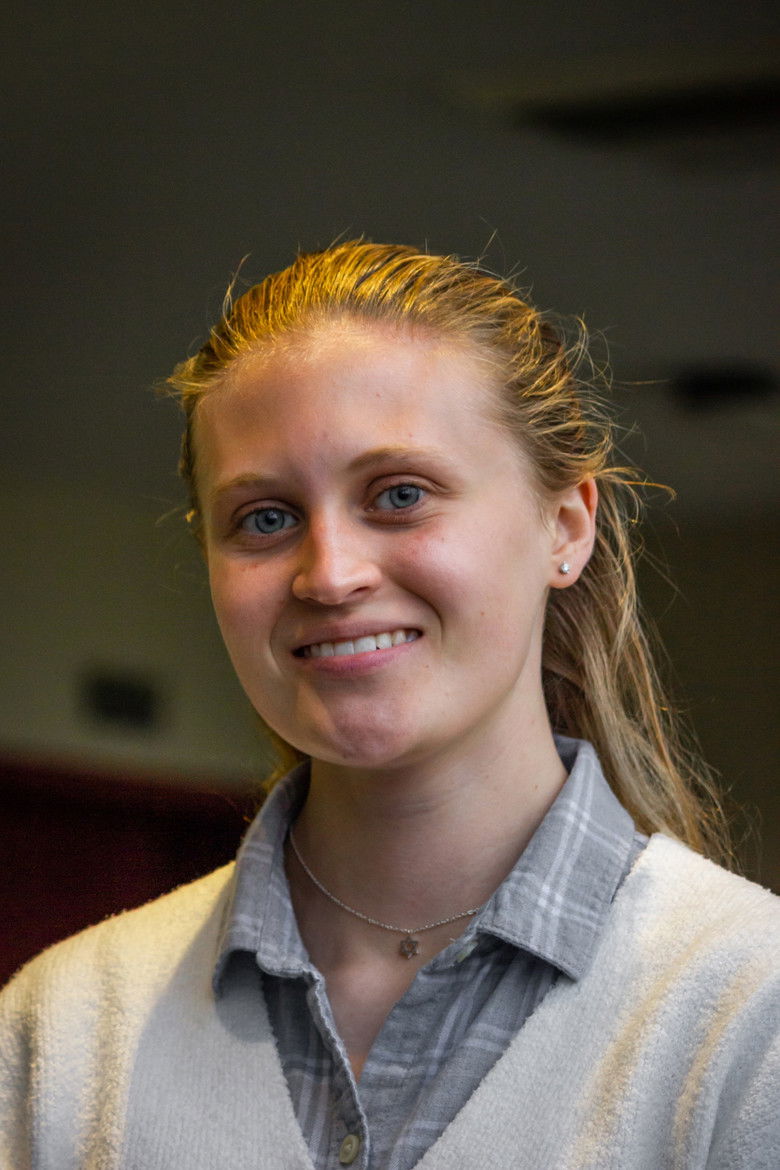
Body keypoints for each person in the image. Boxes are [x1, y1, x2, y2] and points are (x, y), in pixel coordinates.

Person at [1, 241, 778, 1170]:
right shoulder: (62, 1038)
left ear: (565, 527)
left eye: (400, 495)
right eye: (265, 517)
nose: (330, 575)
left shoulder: (750, 1010)